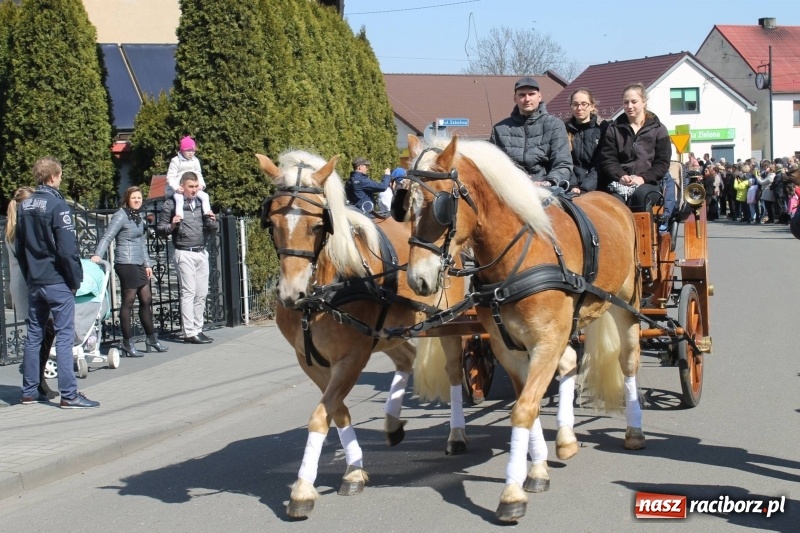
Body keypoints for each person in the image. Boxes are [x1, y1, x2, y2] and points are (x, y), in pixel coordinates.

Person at [16, 157, 99, 408]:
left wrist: (29, 274)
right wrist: (75, 279)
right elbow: (67, 249)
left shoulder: (24, 205)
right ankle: (69, 395)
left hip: (36, 280)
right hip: (56, 280)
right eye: (60, 175)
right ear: (53, 176)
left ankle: (29, 391)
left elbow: (20, 248)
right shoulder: (57, 205)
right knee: (64, 336)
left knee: (34, 335)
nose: (61, 179)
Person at [91, 186, 168, 357]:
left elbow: (141, 242)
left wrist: (147, 265)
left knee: (146, 299)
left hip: (139, 263)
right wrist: (97, 255)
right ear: (127, 199)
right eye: (133, 198)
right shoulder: (121, 216)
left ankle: (151, 339)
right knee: (128, 301)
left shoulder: (139, 216)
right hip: (126, 263)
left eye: (139, 198)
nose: (137, 200)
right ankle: (127, 342)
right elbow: (107, 237)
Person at [598, 83, 676, 233]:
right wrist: (620, 176)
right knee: (613, 205)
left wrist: (644, 178)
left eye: (634, 101)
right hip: (620, 183)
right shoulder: (613, 129)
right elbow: (609, 160)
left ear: (644, 102)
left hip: (649, 183)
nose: (629, 106)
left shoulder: (659, 129)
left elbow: (662, 162)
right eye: (626, 102)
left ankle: (642, 244)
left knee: (640, 196)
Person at [5, 186, 58, 400]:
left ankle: (36, 380)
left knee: (44, 331)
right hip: (28, 284)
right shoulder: (19, 227)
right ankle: (35, 383)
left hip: (25, 283)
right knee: (40, 332)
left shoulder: (14, 225)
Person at [157, 172, 218, 345]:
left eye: (196, 186)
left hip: (201, 251)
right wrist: (172, 225)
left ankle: (198, 329)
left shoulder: (201, 203)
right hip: (184, 252)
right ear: (182, 187)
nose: (194, 190)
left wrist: (213, 221)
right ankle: (189, 332)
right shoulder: (171, 204)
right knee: (188, 292)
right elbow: (160, 229)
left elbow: (211, 228)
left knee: (201, 293)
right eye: (191, 187)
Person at [489, 76, 573, 187]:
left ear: (539, 96)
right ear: (515, 98)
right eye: (522, 95)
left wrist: (548, 182)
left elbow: (563, 164)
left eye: (531, 94)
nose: (527, 99)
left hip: (545, 189)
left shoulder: (555, 125)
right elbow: (492, 165)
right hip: (510, 188)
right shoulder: (499, 129)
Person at [564, 88, 605, 195]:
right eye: (575, 104)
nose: (579, 108)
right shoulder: (563, 130)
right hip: (571, 186)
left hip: (598, 186)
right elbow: (564, 161)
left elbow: (600, 164)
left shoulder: (603, 129)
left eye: (584, 104)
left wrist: (585, 188)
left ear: (592, 106)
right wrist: (572, 185)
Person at [166, 136, 212, 222]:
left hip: (193, 187)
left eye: (193, 150)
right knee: (179, 199)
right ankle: (179, 217)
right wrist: (176, 188)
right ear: (182, 150)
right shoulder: (176, 161)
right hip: (180, 188)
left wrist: (201, 185)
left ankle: (207, 213)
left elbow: (199, 174)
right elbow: (170, 177)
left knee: (205, 196)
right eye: (188, 150)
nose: (191, 153)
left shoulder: (195, 161)